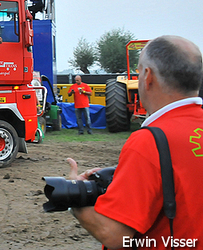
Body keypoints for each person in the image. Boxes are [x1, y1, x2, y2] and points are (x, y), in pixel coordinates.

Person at [67, 35, 203, 249]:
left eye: (138, 72)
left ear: (148, 76)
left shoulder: (150, 141)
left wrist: (74, 195)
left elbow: (114, 236)